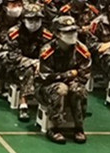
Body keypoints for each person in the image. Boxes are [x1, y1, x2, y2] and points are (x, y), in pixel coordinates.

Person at [37, 15, 91, 144]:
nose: (71, 35)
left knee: (78, 90)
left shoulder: (82, 50)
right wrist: (67, 75)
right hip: (46, 88)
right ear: (57, 33)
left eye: (73, 31)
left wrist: (71, 80)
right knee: (61, 89)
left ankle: (79, 127)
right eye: (67, 32)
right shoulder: (47, 51)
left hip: (73, 84)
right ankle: (54, 128)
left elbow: (84, 75)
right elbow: (45, 76)